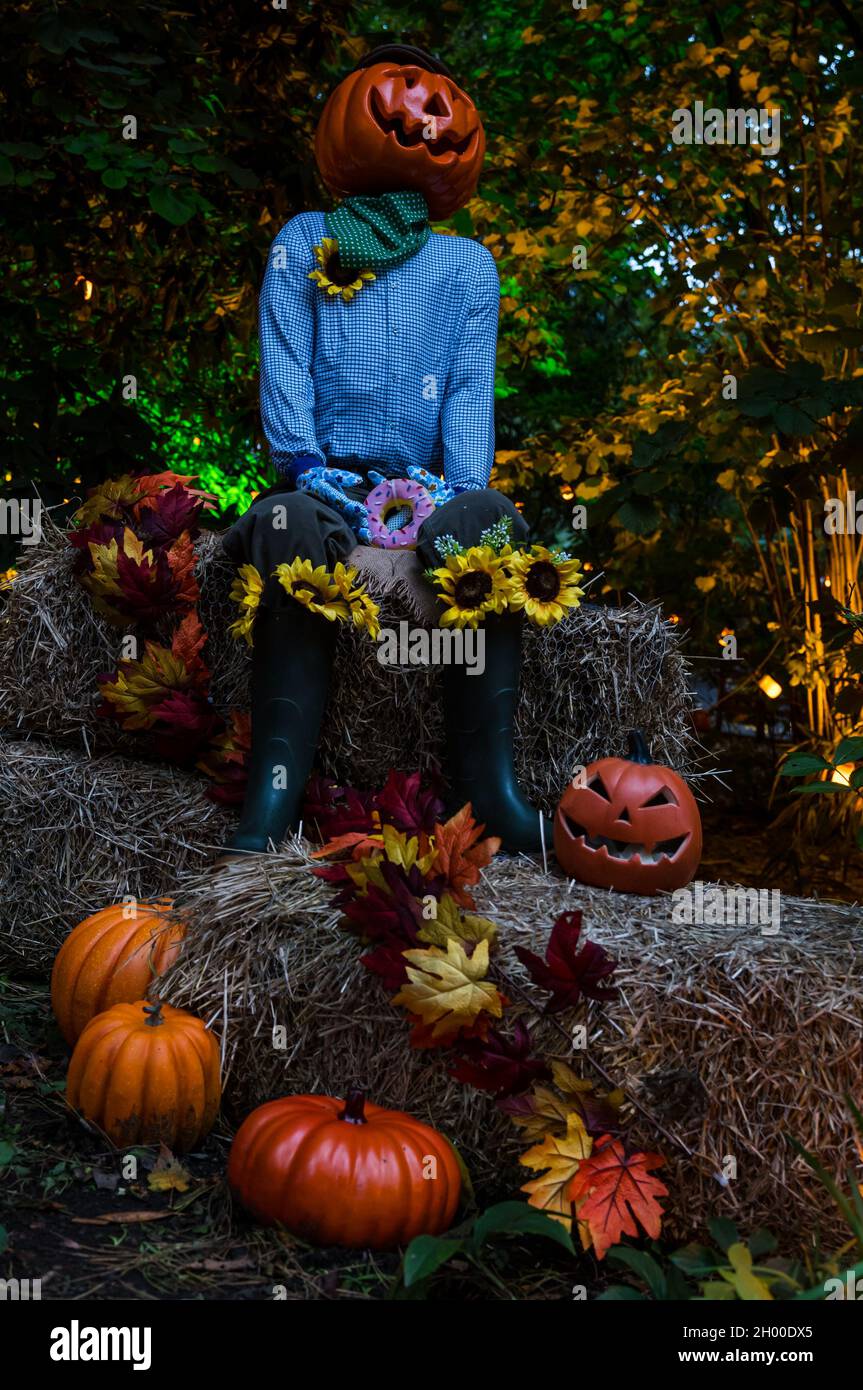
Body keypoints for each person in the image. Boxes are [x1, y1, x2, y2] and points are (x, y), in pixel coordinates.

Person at [223, 43, 549, 854]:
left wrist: (460, 490)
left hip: (430, 484)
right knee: (286, 532)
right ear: (353, 116)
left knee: (494, 527)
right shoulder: (304, 242)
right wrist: (302, 465)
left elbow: (471, 389)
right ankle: (272, 801)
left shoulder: (468, 267)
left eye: (443, 104)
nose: (425, 116)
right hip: (321, 475)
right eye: (401, 96)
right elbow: (285, 360)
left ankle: (489, 793)